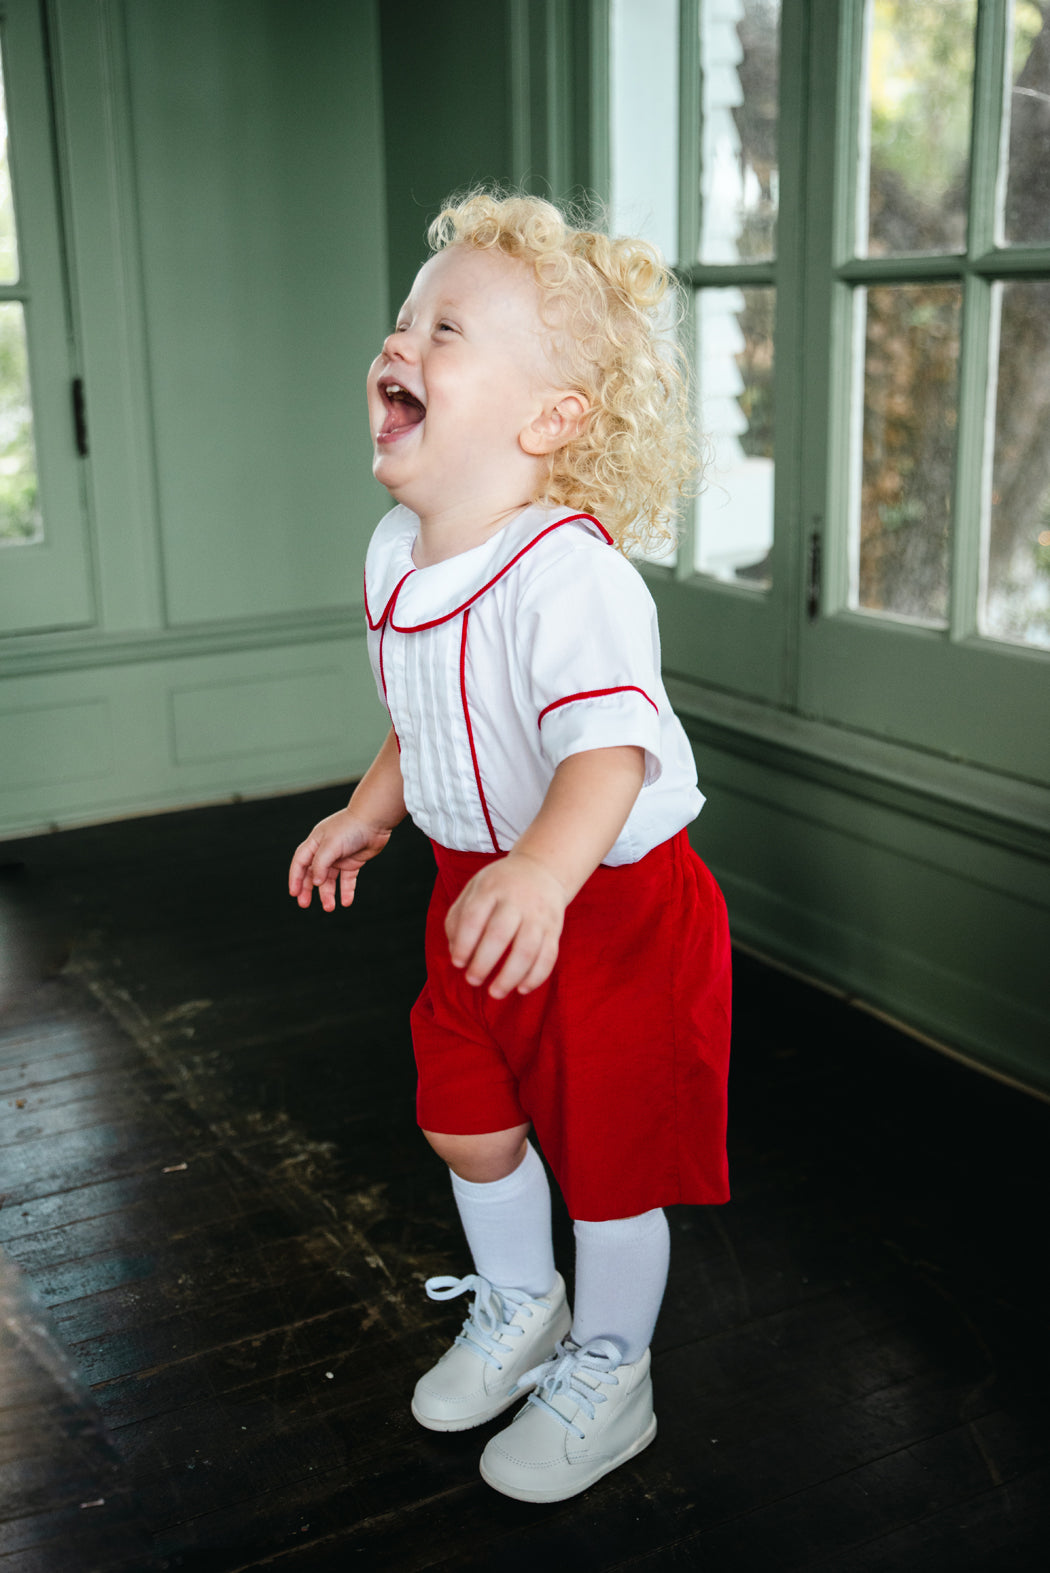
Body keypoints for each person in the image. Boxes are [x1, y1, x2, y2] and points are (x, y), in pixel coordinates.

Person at [288, 190, 731, 1504]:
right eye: (406, 319)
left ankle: (611, 1366)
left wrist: (544, 865)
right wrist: (374, 805)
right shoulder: (398, 552)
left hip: (606, 902)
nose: (403, 340)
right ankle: (522, 1300)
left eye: (449, 329)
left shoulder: (571, 576)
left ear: (549, 420)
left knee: (606, 1162)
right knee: (464, 1119)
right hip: (476, 890)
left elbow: (606, 750)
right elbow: (426, 711)